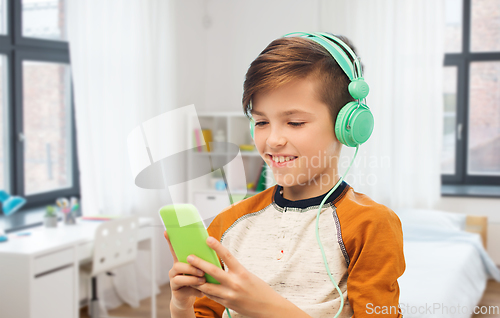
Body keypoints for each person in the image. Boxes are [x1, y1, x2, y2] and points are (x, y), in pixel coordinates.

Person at [166, 32, 406, 318]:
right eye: (262, 122)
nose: (273, 140)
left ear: (348, 126)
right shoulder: (227, 225)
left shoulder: (371, 225)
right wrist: (180, 306)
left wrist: (266, 308)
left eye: (294, 122)